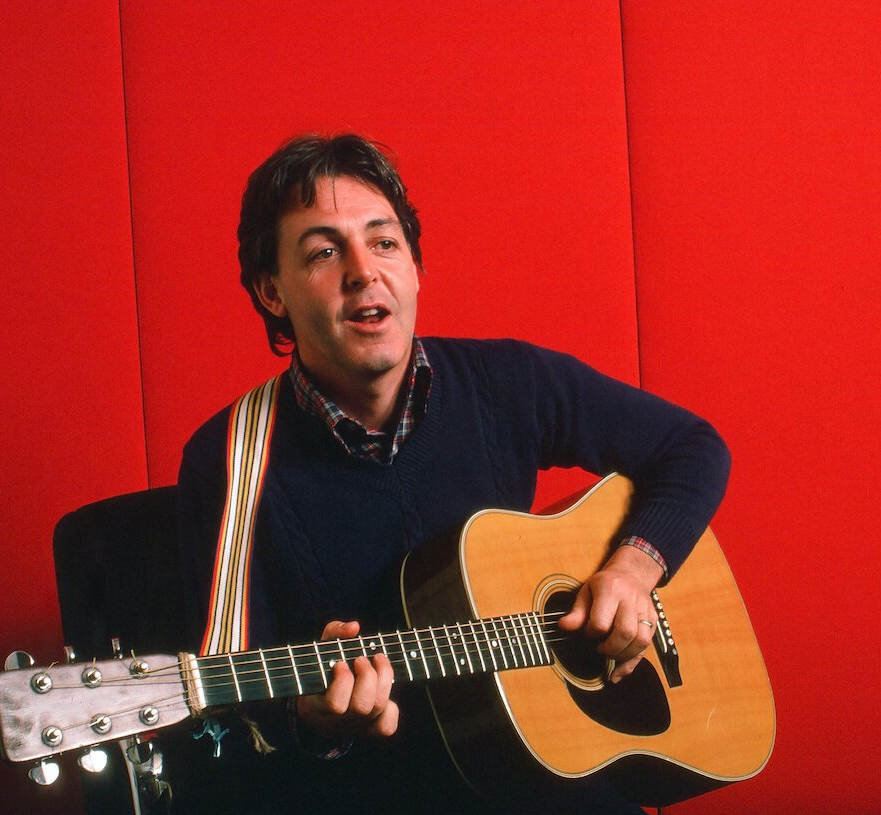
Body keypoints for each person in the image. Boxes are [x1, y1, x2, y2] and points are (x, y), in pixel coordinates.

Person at [175, 134, 730, 813]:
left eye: (383, 243)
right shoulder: (231, 458)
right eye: (324, 251)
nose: (362, 271)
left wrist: (634, 569)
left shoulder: (508, 382)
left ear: (414, 266)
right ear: (272, 291)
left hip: (542, 773)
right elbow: (227, 720)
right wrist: (315, 722)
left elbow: (693, 447)